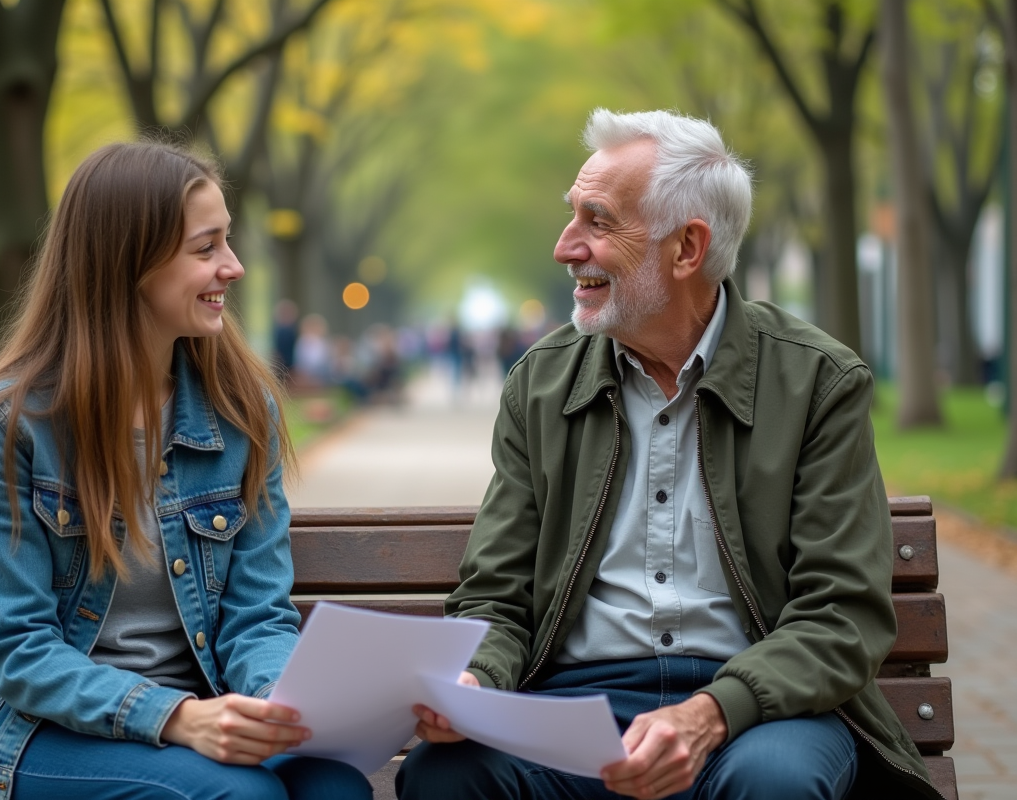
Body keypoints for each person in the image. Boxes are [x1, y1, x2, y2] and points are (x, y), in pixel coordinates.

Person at [398, 110, 940, 800]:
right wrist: (476, 681)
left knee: (775, 782)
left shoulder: (816, 382)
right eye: (572, 217)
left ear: (687, 249)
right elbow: (496, 597)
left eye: (598, 222)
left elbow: (841, 617)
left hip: (758, 708)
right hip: (577, 705)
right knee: (446, 777)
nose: (566, 247)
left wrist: (710, 714)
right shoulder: (539, 383)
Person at [0, 142, 372, 800]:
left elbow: (256, 617)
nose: (235, 267)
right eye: (206, 247)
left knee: (334, 788)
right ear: (129, 263)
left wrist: (278, 706)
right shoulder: (10, 424)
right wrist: (177, 718)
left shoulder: (242, 412)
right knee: (240, 798)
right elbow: (20, 652)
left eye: (230, 242)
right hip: (31, 733)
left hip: (197, 716)